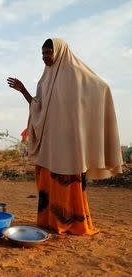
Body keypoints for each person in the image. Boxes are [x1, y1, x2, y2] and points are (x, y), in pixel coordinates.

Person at [7, 38, 123, 235]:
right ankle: (50, 222)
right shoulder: (45, 79)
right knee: (47, 182)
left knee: (67, 182)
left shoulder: (75, 73)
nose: (45, 57)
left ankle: (72, 222)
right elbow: (38, 106)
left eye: (48, 53)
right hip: (50, 143)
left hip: (70, 145)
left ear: (59, 52)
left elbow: (101, 87)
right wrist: (23, 90)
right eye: (42, 54)